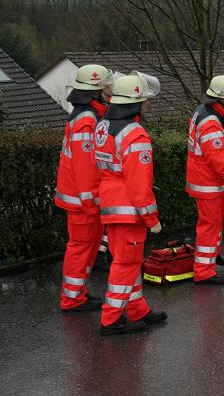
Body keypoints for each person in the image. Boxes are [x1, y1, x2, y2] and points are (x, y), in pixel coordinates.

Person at [95, 72, 167, 335]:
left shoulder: (103, 126)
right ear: (135, 103)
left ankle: (137, 309)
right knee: (125, 265)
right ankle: (111, 319)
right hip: (129, 211)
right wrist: (152, 218)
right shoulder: (135, 135)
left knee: (128, 263)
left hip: (111, 206)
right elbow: (139, 184)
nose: (148, 103)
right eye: (145, 99)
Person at [56, 64, 112, 312]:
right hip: (82, 200)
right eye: (104, 89)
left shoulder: (86, 115)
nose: (108, 94)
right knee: (81, 247)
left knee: (87, 247)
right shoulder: (87, 119)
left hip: (82, 198)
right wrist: (91, 201)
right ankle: (72, 298)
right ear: (95, 92)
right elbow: (85, 166)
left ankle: (77, 292)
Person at [186, 74, 224, 285]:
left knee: (216, 220)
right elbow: (217, 160)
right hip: (208, 183)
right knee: (209, 226)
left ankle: (213, 254)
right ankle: (204, 271)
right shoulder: (211, 122)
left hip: (209, 182)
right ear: (221, 98)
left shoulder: (206, 112)